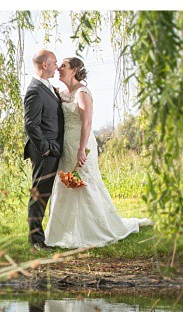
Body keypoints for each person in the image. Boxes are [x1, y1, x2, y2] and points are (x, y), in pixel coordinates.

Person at [44, 57, 151, 248]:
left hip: (81, 145)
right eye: (59, 65)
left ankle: (94, 230)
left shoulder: (83, 93)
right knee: (66, 184)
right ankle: (64, 232)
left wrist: (81, 150)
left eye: (63, 66)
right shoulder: (60, 92)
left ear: (75, 69)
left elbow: (87, 123)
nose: (59, 68)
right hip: (65, 145)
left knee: (85, 184)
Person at [23, 50, 64, 250]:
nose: (57, 66)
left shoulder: (46, 87)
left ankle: (40, 237)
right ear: (45, 65)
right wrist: (46, 149)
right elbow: (31, 125)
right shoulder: (35, 90)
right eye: (55, 63)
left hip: (52, 148)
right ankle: (36, 241)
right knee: (39, 194)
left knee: (45, 193)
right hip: (43, 151)